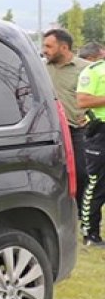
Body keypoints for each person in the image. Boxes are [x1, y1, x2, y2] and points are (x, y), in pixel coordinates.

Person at [43, 29, 90, 208]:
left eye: (49, 46)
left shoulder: (85, 69)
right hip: (50, 131)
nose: (44, 50)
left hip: (77, 130)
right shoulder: (42, 68)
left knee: (81, 172)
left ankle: (78, 210)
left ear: (63, 47)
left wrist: (90, 117)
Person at [76, 49, 105, 247]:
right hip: (100, 131)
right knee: (97, 183)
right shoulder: (94, 71)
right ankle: (90, 233)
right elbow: (83, 101)